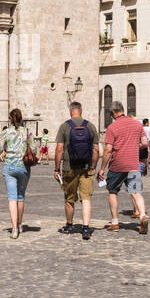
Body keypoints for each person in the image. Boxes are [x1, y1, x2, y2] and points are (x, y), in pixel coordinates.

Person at [97, 101, 148, 234]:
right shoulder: (137, 124)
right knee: (136, 192)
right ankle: (143, 216)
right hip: (133, 164)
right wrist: (132, 147)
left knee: (113, 192)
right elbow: (145, 142)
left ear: (114, 112)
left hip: (117, 165)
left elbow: (108, 149)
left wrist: (102, 168)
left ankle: (114, 222)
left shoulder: (112, 127)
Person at [53, 102, 99, 241]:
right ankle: (86, 228)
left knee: (69, 198)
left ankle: (69, 225)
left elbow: (59, 149)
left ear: (70, 111)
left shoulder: (64, 126)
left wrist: (56, 168)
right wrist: (94, 166)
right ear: (81, 111)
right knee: (86, 198)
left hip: (69, 167)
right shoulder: (90, 126)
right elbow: (96, 149)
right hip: (86, 167)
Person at [0, 107, 36, 239]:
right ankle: (20, 224)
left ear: (10, 119)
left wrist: (4, 152)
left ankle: (14, 229)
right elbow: (34, 149)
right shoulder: (27, 132)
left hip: (10, 167)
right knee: (20, 197)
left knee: (12, 197)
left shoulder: (6, 132)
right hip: (23, 167)